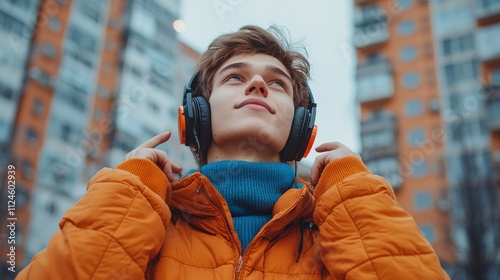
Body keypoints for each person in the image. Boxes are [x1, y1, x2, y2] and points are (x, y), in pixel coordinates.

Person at [17, 25, 449, 279]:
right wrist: (129, 192)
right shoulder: (146, 230)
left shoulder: (334, 240)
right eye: (234, 77)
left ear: (301, 128)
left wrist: (355, 197)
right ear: (196, 114)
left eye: (277, 82)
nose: (259, 85)